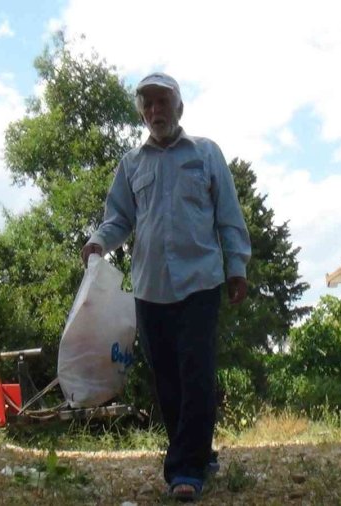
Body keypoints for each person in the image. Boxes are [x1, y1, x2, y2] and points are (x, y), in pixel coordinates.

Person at [80, 72, 251, 501]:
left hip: (201, 281)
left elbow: (228, 215)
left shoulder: (206, 154)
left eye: (163, 102)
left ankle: (186, 470)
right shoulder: (131, 164)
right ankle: (199, 452)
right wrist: (99, 241)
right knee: (168, 381)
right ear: (142, 112)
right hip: (150, 288)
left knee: (196, 373)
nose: (156, 111)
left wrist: (237, 266)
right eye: (148, 104)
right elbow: (119, 218)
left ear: (179, 107)